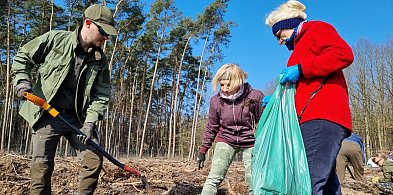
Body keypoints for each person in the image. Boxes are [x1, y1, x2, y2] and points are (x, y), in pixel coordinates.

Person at [12, 4, 117, 194]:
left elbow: (101, 94)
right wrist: (21, 80)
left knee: (93, 160)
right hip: (47, 114)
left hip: (78, 118)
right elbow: (23, 56)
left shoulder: (100, 59)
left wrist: (90, 122)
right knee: (41, 168)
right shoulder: (55, 39)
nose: (106, 37)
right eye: (103, 31)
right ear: (87, 23)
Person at [265, 0, 354, 194]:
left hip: (323, 115)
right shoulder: (298, 48)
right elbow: (303, 86)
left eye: (280, 35)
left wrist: (302, 68)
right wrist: (276, 99)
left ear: (288, 24)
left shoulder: (316, 29)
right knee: (327, 184)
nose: (279, 41)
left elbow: (343, 54)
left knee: (307, 182)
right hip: (310, 117)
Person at [196, 63, 264, 195]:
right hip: (226, 140)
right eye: (222, 85)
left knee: (253, 180)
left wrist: (263, 143)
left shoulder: (255, 96)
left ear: (238, 82)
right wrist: (203, 150)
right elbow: (212, 127)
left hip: (250, 142)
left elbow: (264, 121)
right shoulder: (216, 101)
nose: (225, 89)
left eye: (229, 85)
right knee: (214, 177)